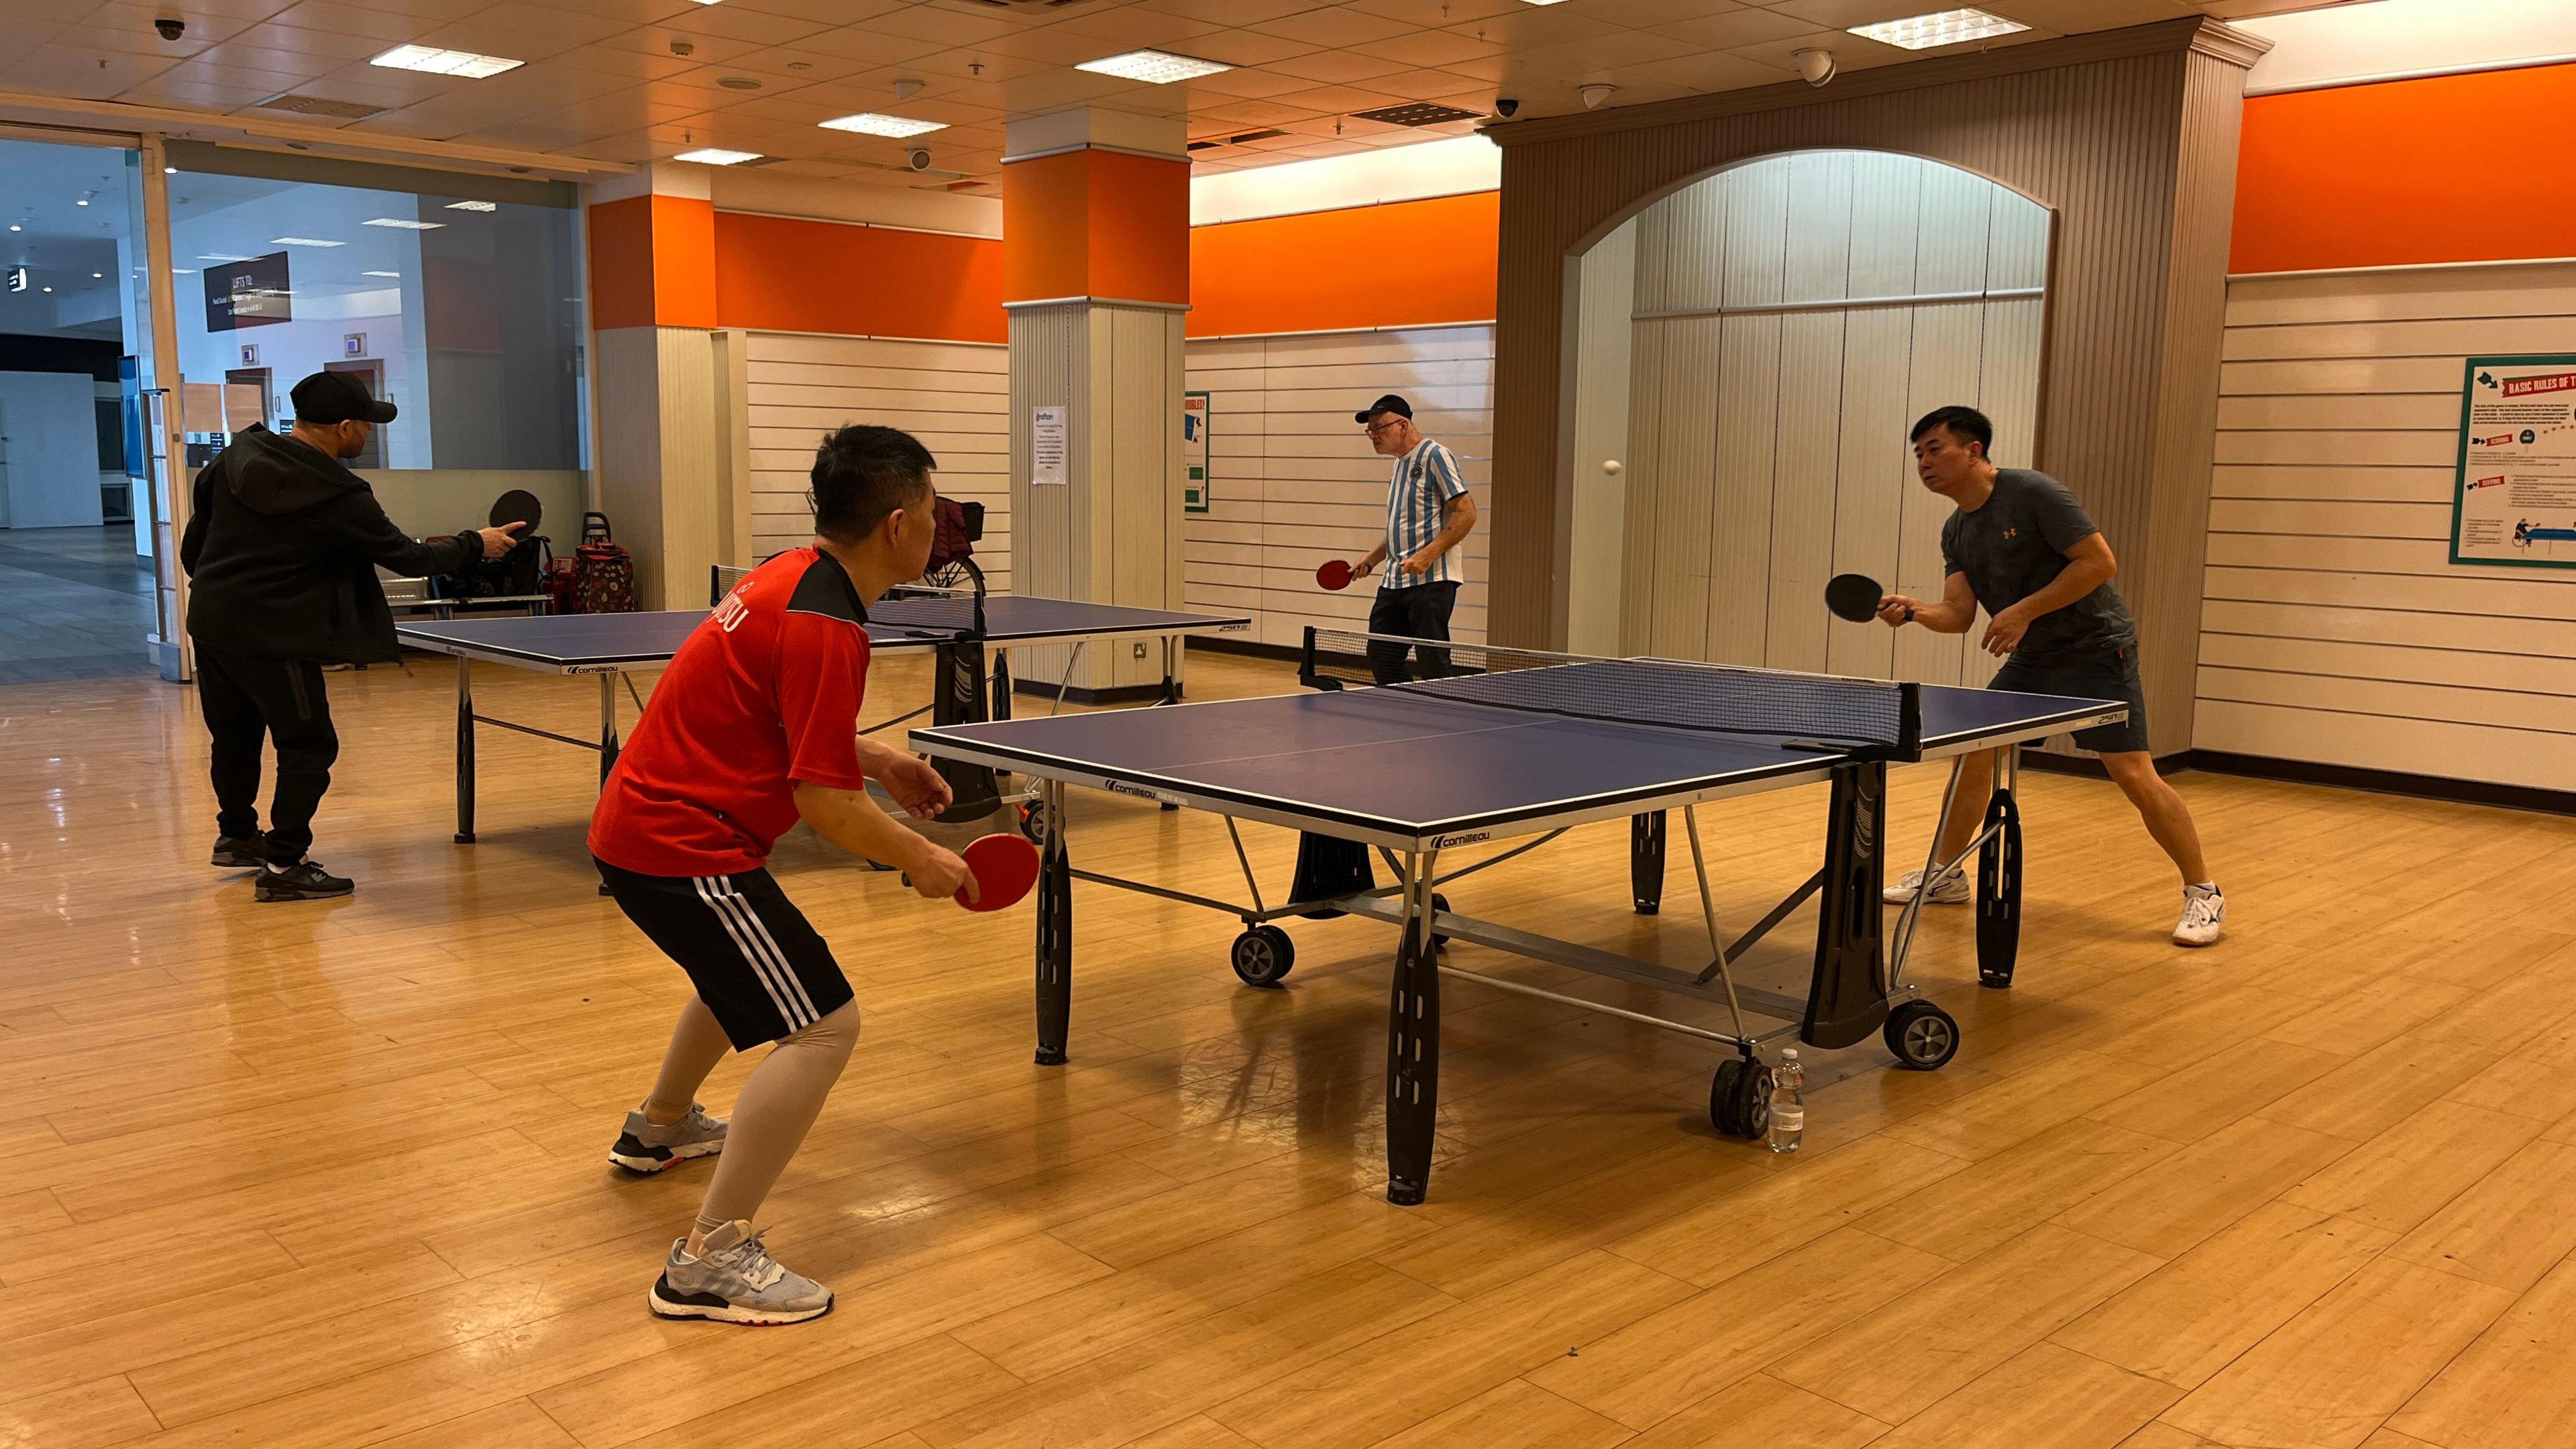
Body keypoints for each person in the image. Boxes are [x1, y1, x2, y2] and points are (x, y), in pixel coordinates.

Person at [589, 423, 975, 1327]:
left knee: (739, 976)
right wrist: (920, 856)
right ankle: (709, 1260)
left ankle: (660, 1127)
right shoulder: (827, 624)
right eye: (931, 508)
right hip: (683, 845)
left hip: (644, 830)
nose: (939, 525)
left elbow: (774, 714)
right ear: (897, 524)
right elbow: (825, 806)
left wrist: (882, 760)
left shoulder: (791, 575)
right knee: (823, 1024)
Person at [1876, 406, 2224, 947]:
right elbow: (1959, 614)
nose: (1924, 462)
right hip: (2034, 658)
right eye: (1918, 453)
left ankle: (2204, 891)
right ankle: (1947, 873)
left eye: (1935, 449)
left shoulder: (2033, 493)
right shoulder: (1957, 530)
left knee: (2133, 774)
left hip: (2096, 649)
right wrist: (1915, 611)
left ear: (1973, 450)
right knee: (1975, 755)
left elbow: (2099, 562)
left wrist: (2023, 611)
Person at [180, 370, 523, 902]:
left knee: (235, 735)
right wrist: (476, 544)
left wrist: (225, 589)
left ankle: (239, 835)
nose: (369, 432)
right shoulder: (336, 493)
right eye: (366, 424)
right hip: (275, 634)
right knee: (310, 744)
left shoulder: (234, 461)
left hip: (212, 621)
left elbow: (193, 545)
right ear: (344, 427)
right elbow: (408, 558)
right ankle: (285, 863)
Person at [1336, 394, 1477, 684]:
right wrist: (1372, 559)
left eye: (1379, 428)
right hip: (1394, 581)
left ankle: (1440, 710)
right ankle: (1406, 706)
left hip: (1432, 581)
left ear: (1403, 425)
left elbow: (1467, 513)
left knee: (1432, 663)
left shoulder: (1435, 455)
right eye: (1370, 431)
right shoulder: (1399, 464)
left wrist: (1427, 555)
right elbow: (1402, 527)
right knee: (1382, 659)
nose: (1373, 436)